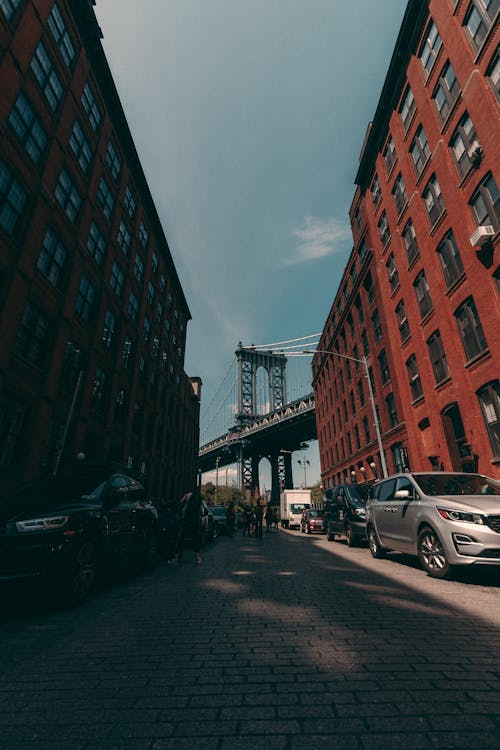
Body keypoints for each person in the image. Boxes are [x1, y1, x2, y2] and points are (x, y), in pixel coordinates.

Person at [170, 488, 203, 564]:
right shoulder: (200, 498)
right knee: (196, 540)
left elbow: (180, 502)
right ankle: (198, 558)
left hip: (187, 520)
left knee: (181, 538)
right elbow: (200, 511)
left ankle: (176, 558)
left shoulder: (188, 495)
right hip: (195, 521)